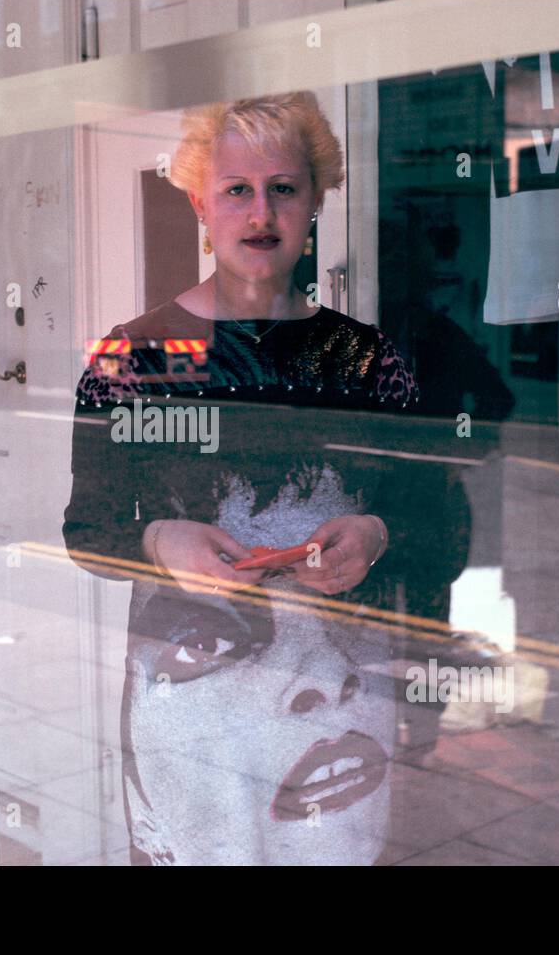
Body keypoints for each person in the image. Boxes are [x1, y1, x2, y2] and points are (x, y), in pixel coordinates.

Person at [62, 92, 447, 863]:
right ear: (202, 202)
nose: (260, 211)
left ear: (315, 204)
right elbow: (84, 533)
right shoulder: (135, 357)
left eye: (284, 188)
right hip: (199, 711)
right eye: (237, 189)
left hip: (337, 700)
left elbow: (434, 519)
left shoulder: (367, 362)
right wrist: (160, 539)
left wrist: (374, 532)